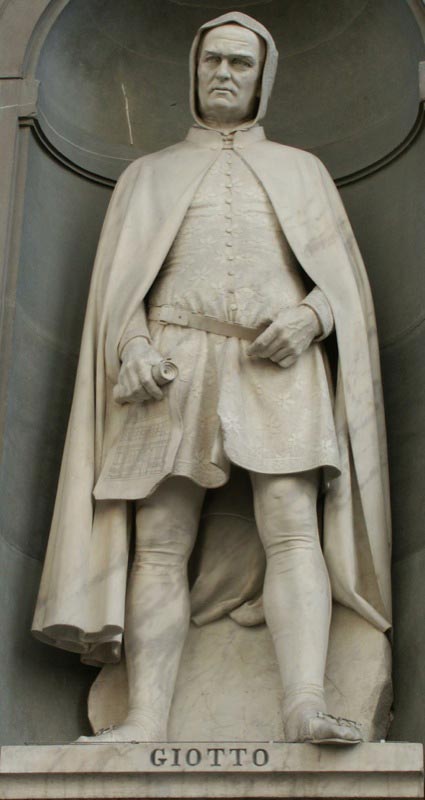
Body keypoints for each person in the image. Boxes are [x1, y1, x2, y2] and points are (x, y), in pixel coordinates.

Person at [32, 12, 392, 745]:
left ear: (264, 78)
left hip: (274, 360)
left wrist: (313, 316)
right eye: (212, 62)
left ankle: (301, 704)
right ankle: (145, 717)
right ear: (193, 73)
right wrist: (130, 344)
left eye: (240, 64)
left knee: (293, 525)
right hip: (173, 358)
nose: (224, 74)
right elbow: (118, 291)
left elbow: (345, 283)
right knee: (159, 536)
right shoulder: (147, 174)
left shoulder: (302, 170)